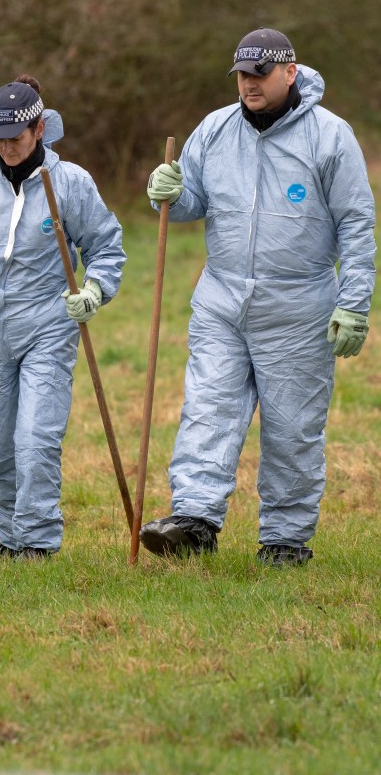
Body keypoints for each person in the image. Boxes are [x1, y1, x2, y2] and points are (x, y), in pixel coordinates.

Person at [139, 28, 376, 566]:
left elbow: (357, 224)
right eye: (242, 74)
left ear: (290, 72)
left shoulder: (330, 137)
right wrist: (170, 196)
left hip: (298, 307)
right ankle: (194, 521)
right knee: (207, 409)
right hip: (221, 300)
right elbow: (191, 201)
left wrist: (355, 302)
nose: (249, 84)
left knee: (292, 427)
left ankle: (286, 540)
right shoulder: (216, 129)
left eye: (259, 74)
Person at [0, 75, 125, 558]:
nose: (5, 148)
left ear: (40, 128)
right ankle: (11, 535)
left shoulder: (70, 183)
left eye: (15, 138)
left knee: (35, 440)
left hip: (47, 324)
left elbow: (106, 248)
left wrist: (94, 289)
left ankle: (39, 543)